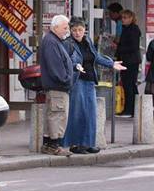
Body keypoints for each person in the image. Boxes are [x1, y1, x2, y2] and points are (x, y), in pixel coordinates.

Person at [61, 17, 124, 154]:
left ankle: (88, 143)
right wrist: (75, 66)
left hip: (89, 80)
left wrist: (111, 64)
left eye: (80, 30)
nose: (77, 33)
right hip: (77, 81)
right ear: (70, 30)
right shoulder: (68, 43)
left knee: (90, 113)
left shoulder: (88, 41)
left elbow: (96, 56)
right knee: (78, 113)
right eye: (74, 30)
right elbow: (65, 61)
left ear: (84, 30)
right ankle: (75, 144)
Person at [38, 15, 74, 156]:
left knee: (54, 115)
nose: (67, 30)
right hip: (58, 86)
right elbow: (55, 67)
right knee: (57, 115)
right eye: (65, 28)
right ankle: (53, 145)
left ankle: (49, 144)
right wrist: (66, 80)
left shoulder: (52, 40)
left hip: (57, 86)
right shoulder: (51, 42)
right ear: (55, 27)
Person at [115, 9, 142, 118]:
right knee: (129, 85)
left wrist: (120, 49)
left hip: (131, 61)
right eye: (122, 18)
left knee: (129, 85)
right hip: (126, 60)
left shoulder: (133, 29)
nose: (123, 20)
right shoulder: (126, 29)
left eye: (125, 18)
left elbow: (133, 46)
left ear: (131, 18)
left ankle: (129, 110)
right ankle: (133, 109)